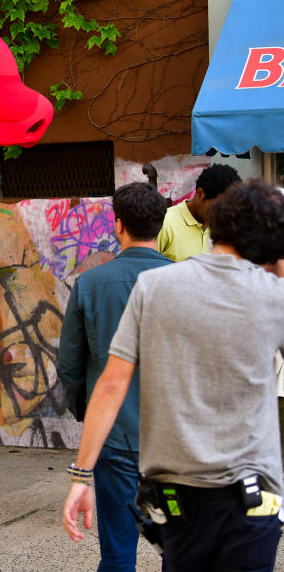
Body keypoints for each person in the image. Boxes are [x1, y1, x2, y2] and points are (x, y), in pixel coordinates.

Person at [63, 179, 284, 571]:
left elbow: (104, 381)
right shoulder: (270, 294)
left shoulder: (154, 286)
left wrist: (81, 473)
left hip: (170, 484)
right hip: (253, 494)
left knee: (128, 556)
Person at [58, 182, 171, 571]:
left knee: (118, 552)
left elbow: (70, 365)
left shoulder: (90, 284)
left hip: (114, 435)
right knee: (179, 549)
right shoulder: (183, 282)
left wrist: (87, 412)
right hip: (173, 442)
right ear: (162, 223)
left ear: (118, 225)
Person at [157, 163, 240, 261]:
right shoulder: (165, 222)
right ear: (200, 194)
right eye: (218, 207)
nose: (223, 214)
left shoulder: (223, 228)